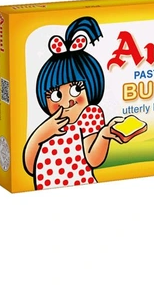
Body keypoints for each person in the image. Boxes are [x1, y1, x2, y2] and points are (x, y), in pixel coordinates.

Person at [23, 17, 124, 190]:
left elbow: (93, 159)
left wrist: (104, 135)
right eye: (56, 95)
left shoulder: (90, 115)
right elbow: (31, 167)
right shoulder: (51, 125)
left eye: (76, 89)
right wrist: (41, 134)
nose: (67, 100)